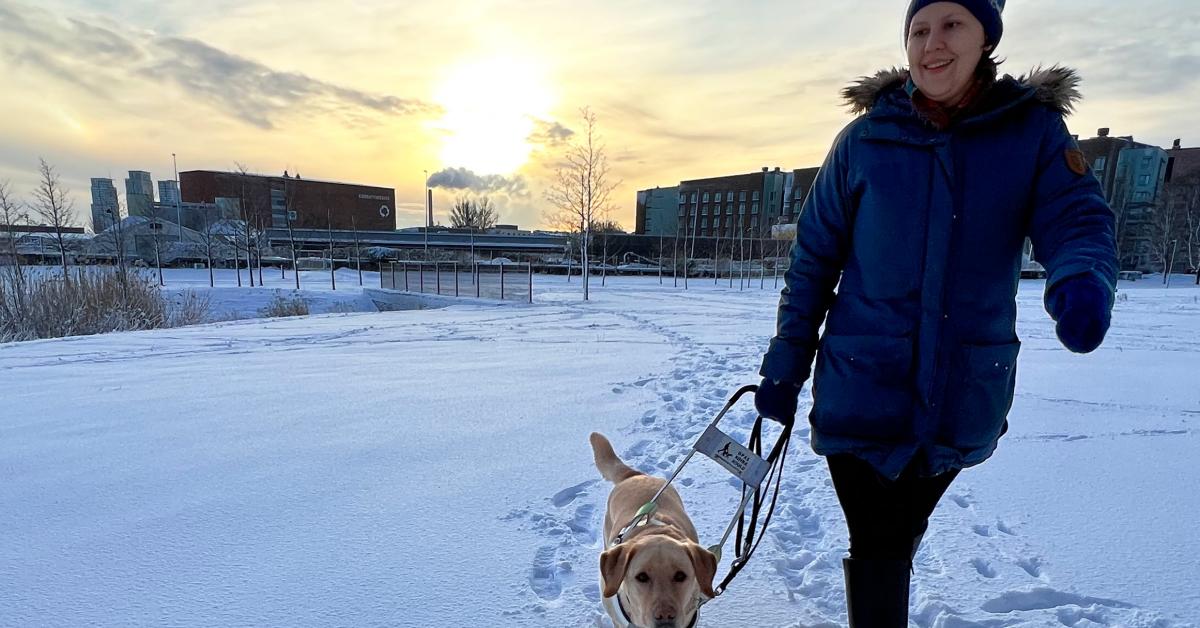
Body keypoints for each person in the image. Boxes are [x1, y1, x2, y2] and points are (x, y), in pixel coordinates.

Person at [753, 1, 1118, 625]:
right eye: (919, 29)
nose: (932, 44)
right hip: (862, 383)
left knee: (898, 531)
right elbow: (813, 260)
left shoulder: (1031, 135)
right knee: (878, 537)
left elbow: (1076, 216)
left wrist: (1082, 277)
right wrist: (785, 368)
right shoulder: (864, 141)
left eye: (953, 25)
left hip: (962, 389)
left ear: (986, 39)